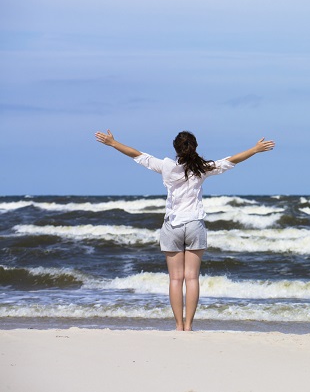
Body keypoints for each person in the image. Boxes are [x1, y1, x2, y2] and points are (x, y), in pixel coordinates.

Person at [95, 129, 275, 331]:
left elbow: (138, 155)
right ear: (195, 147)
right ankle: (189, 325)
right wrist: (255, 149)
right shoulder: (203, 168)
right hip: (194, 225)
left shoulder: (166, 166)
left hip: (172, 225)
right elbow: (230, 160)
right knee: (192, 278)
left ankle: (178, 326)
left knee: (175, 279)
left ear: (176, 148)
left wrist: (113, 143)